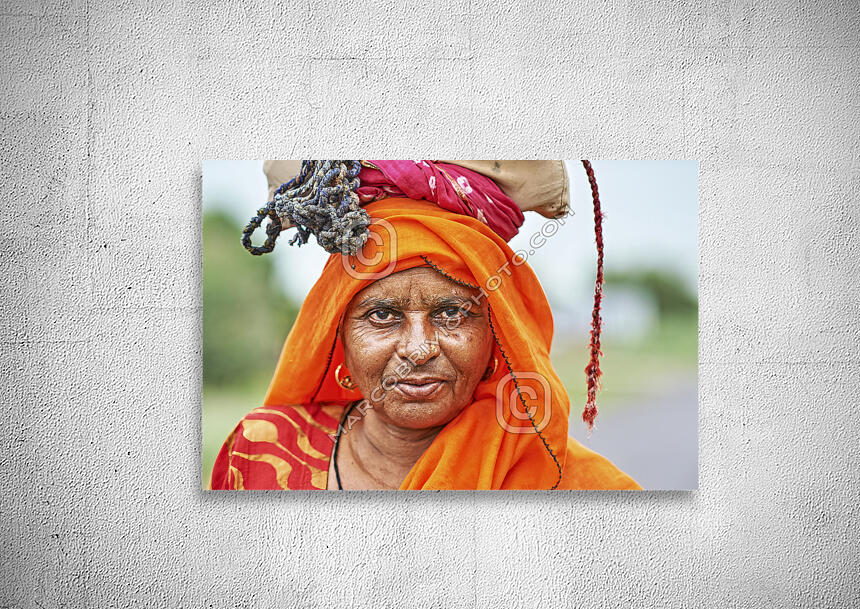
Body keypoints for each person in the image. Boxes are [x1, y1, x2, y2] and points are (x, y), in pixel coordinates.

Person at [210, 161, 641, 491]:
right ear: (338, 337)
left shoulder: (582, 488)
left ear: (497, 338)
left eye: (452, 313)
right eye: (382, 315)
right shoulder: (258, 453)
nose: (418, 349)